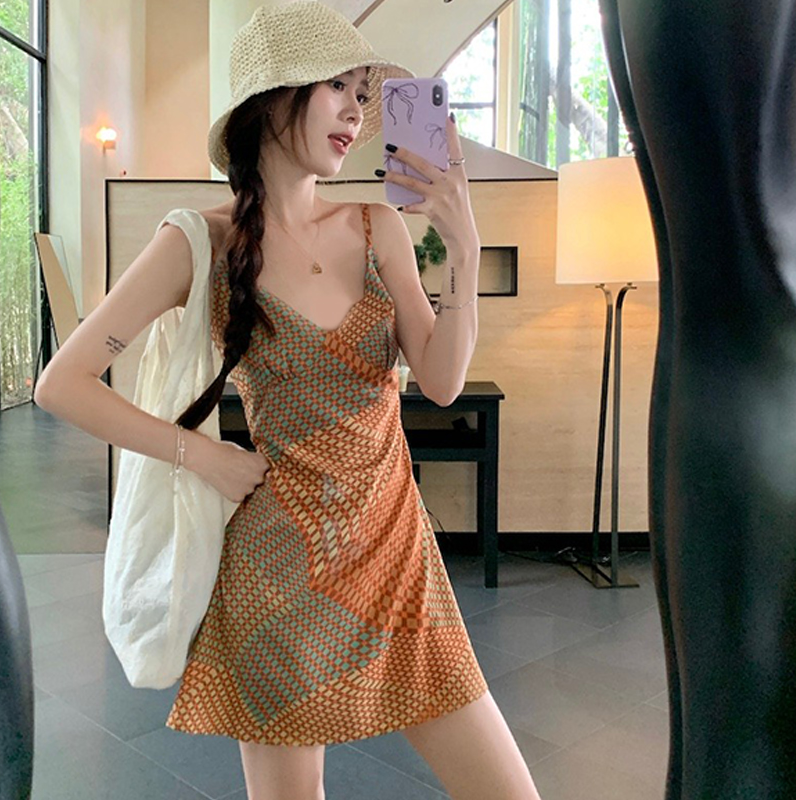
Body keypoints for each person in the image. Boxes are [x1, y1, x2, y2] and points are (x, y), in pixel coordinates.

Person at [34, 3, 542, 799]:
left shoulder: (378, 228)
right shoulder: (200, 241)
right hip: (277, 571)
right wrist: (200, 455)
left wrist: (465, 254)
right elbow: (61, 383)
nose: (357, 111)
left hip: (397, 556)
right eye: (337, 86)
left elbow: (442, 382)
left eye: (363, 94)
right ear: (273, 95)